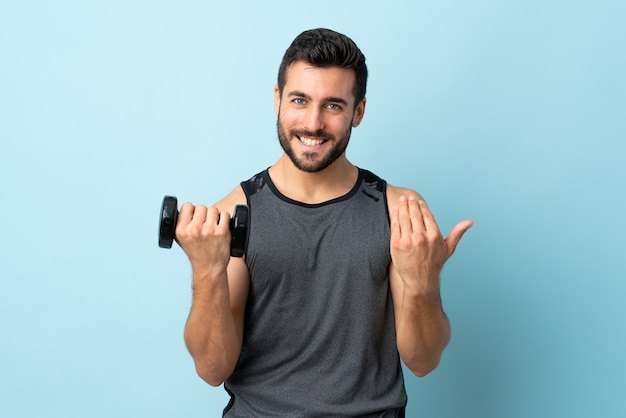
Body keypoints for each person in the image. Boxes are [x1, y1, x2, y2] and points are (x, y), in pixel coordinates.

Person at [175, 28, 473, 417]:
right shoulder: (233, 216)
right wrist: (206, 272)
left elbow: (423, 360)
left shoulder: (400, 210)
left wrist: (422, 284)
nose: (312, 123)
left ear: (358, 111)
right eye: (300, 100)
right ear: (278, 99)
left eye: (333, 106)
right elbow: (213, 369)